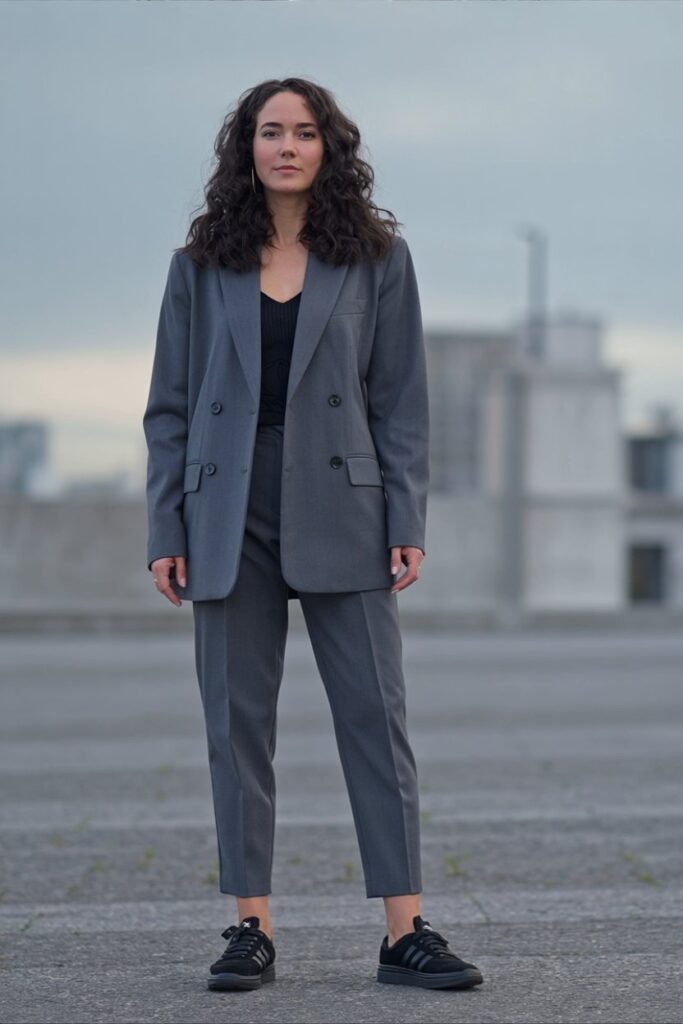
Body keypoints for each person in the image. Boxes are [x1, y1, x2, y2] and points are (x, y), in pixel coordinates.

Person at [143, 77, 483, 994]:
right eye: (269, 131)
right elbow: (169, 408)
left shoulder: (376, 258)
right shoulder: (199, 264)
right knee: (236, 727)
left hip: (345, 504)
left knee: (376, 719)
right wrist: (166, 523)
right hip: (227, 509)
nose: (286, 146)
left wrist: (405, 518)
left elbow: (400, 403)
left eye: (302, 132)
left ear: (329, 147)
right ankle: (250, 926)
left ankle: (403, 932)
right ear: (245, 148)